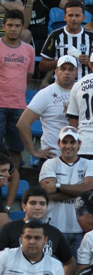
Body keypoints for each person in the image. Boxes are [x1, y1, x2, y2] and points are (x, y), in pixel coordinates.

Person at [39, 127, 93, 258]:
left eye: (72, 142)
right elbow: (49, 193)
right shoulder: (49, 164)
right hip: (53, 227)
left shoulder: (89, 163)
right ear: (59, 143)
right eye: (65, 142)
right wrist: (82, 190)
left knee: (76, 274)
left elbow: (90, 189)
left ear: (79, 144)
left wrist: (58, 186)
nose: (68, 146)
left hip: (80, 229)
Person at [0, 187, 76, 275]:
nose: (37, 207)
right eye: (33, 203)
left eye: (42, 204)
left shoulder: (54, 233)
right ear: (24, 206)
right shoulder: (9, 229)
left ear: (46, 207)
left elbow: (70, 262)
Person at [0, 219, 67, 275]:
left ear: (45, 240)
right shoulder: (6, 256)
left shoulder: (56, 265)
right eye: (28, 237)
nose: (32, 242)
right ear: (21, 238)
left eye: (37, 238)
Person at [0, 9, 33, 173]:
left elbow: (28, 77)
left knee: (16, 148)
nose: (13, 29)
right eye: (10, 25)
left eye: (17, 26)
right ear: (4, 26)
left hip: (19, 106)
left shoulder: (29, 50)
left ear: (22, 28)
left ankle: (13, 181)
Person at [39, 1, 93, 81]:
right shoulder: (55, 35)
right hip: (60, 86)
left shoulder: (92, 37)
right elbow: (42, 66)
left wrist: (89, 62)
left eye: (77, 15)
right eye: (70, 15)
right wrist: (62, 61)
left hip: (84, 85)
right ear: (64, 17)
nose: (73, 19)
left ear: (84, 17)